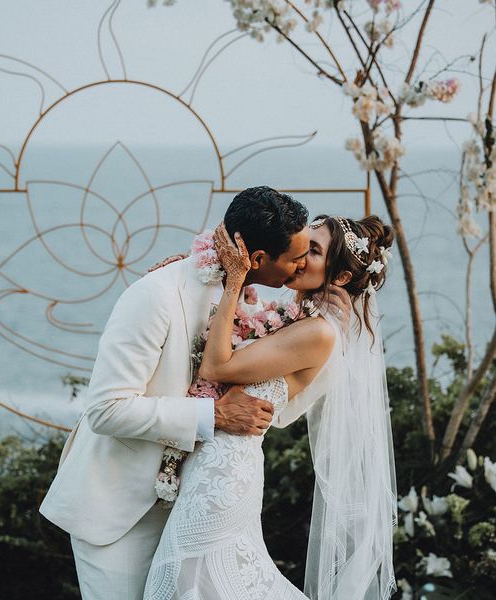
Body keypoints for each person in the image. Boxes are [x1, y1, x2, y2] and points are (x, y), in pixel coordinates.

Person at [39, 186, 350, 600]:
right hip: (120, 511)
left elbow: (275, 393)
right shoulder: (156, 295)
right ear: (258, 260)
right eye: (295, 258)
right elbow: (106, 410)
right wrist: (214, 417)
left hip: (191, 505)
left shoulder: (240, 297)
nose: (298, 269)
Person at [143, 215, 397, 599]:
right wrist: (188, 279)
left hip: (224, 473)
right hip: (208, 463)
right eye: (302, 243)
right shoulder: (293, 319)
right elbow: (229, 332)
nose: (297, 255)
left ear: (340, 277)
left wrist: (231, 279)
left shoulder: (320, 331)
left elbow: (216, 366)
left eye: (314, 251)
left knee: (183, 582)